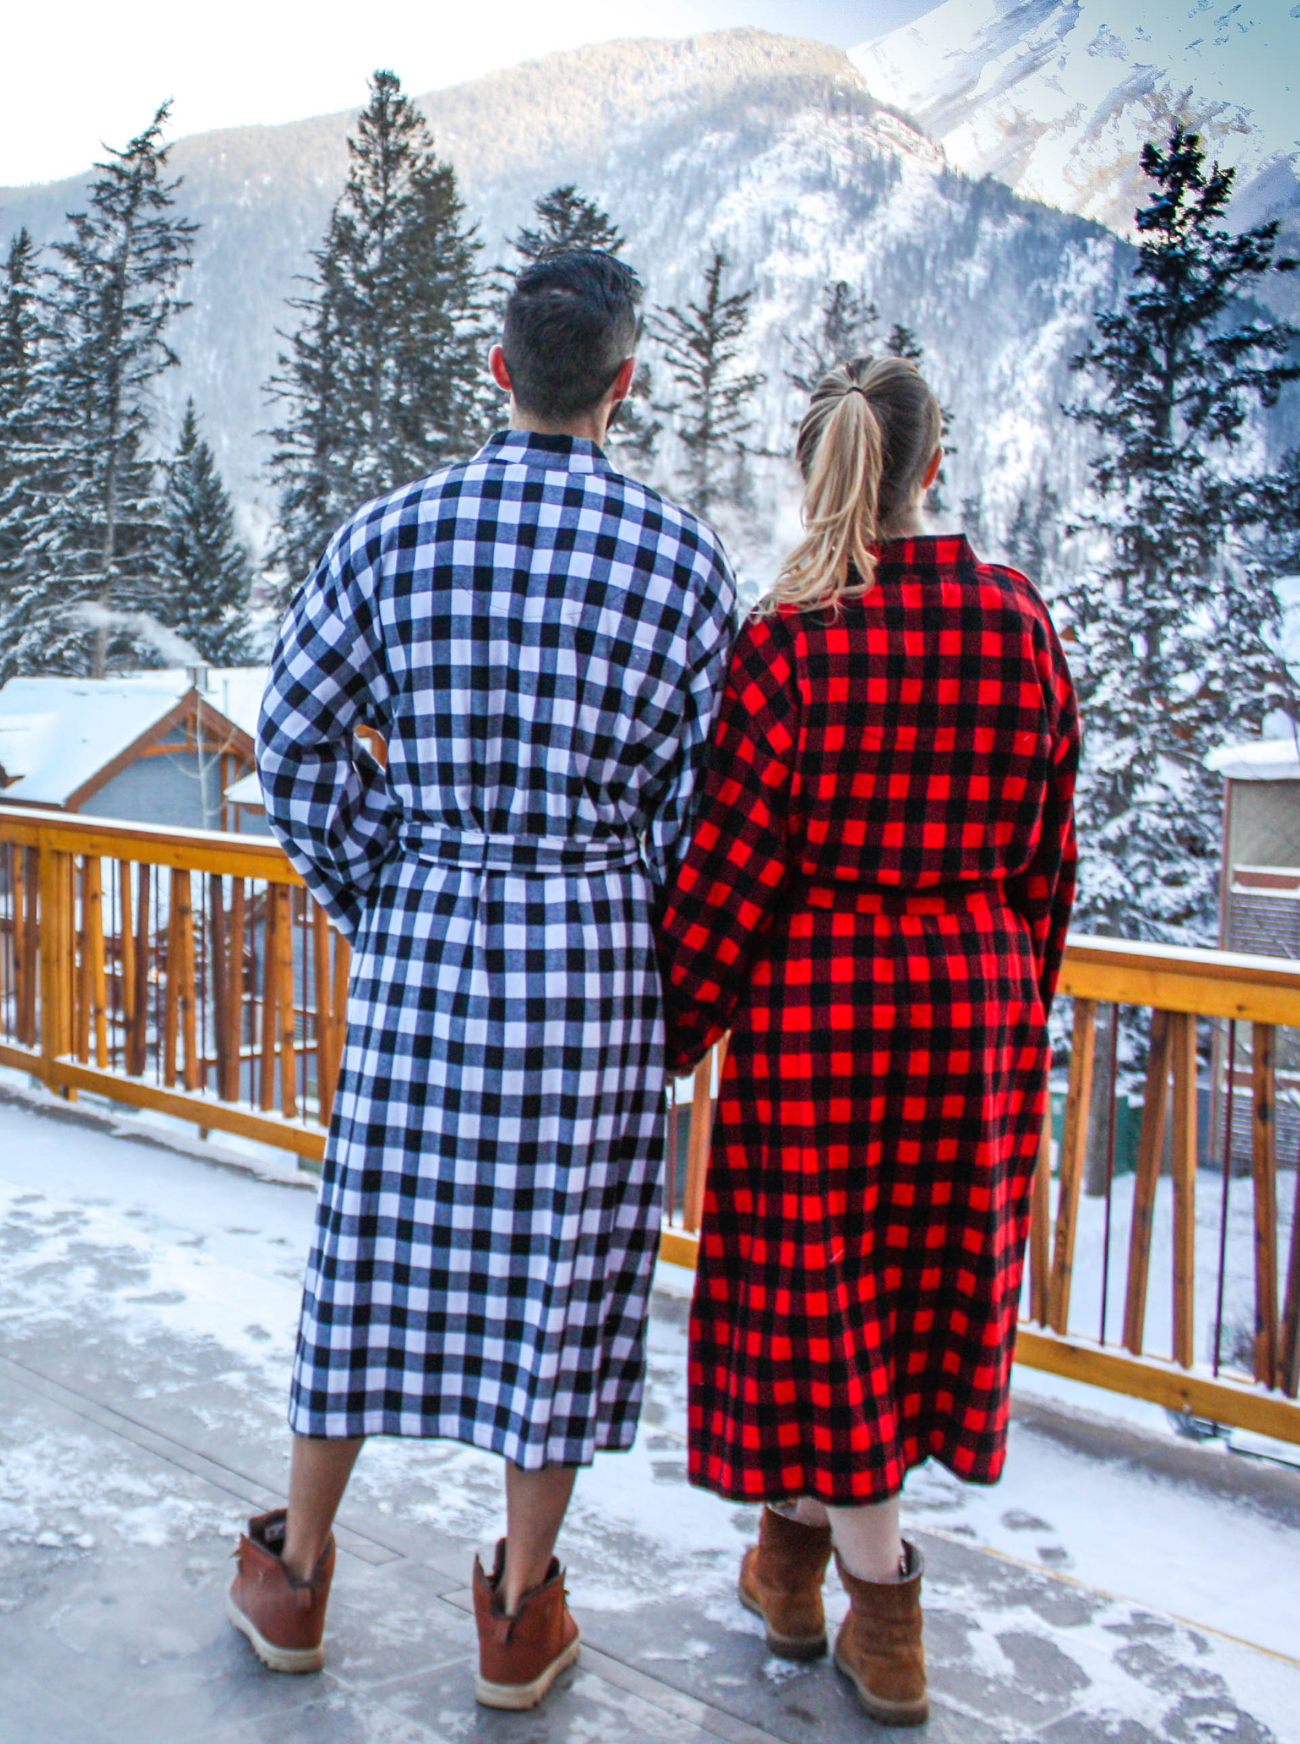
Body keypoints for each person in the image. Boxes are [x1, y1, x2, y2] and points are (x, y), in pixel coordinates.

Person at [227, 250, 736, 1709]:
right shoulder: (683, 562)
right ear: (623, 385)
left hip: (432, 946)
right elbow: (708, 806)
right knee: (563, 1287)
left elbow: (297, 741)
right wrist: (638, 917)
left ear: (502, 371)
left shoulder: (393, 535)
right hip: (590, 964)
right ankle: (518, 1613)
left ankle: (298, 1580)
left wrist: (386, 880)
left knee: (371, 1255)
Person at [655, 355, 1078, 1727]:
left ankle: (883, 1612)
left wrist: (667, 1027)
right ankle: (787, 1567)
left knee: (821, 1290)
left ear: (817, 470)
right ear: (932, 469)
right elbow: (1050, 856)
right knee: (904, 1294)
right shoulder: (1018, 624)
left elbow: (728, 865)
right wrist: (1016, 1001)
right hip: (976, 1002)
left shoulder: (791, 642)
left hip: (826, 1003)